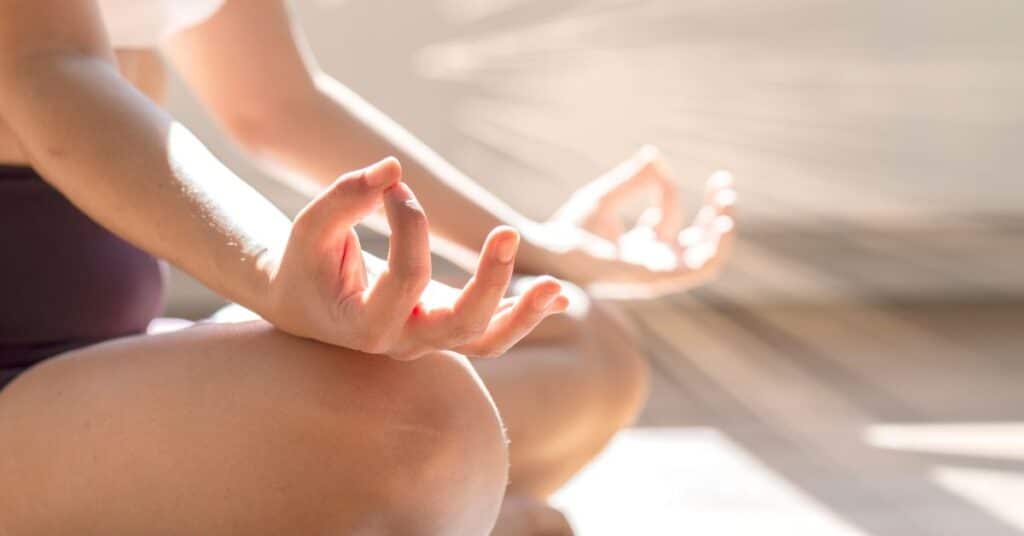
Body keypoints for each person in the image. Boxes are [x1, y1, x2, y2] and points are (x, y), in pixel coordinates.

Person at [0, 1, 737, 534]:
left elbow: (278, 104)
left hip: (94, 362)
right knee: (419, 423)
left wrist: (535, 250)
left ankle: (427, 515)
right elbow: (46, 67)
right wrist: (273, 271)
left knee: (581, 342)